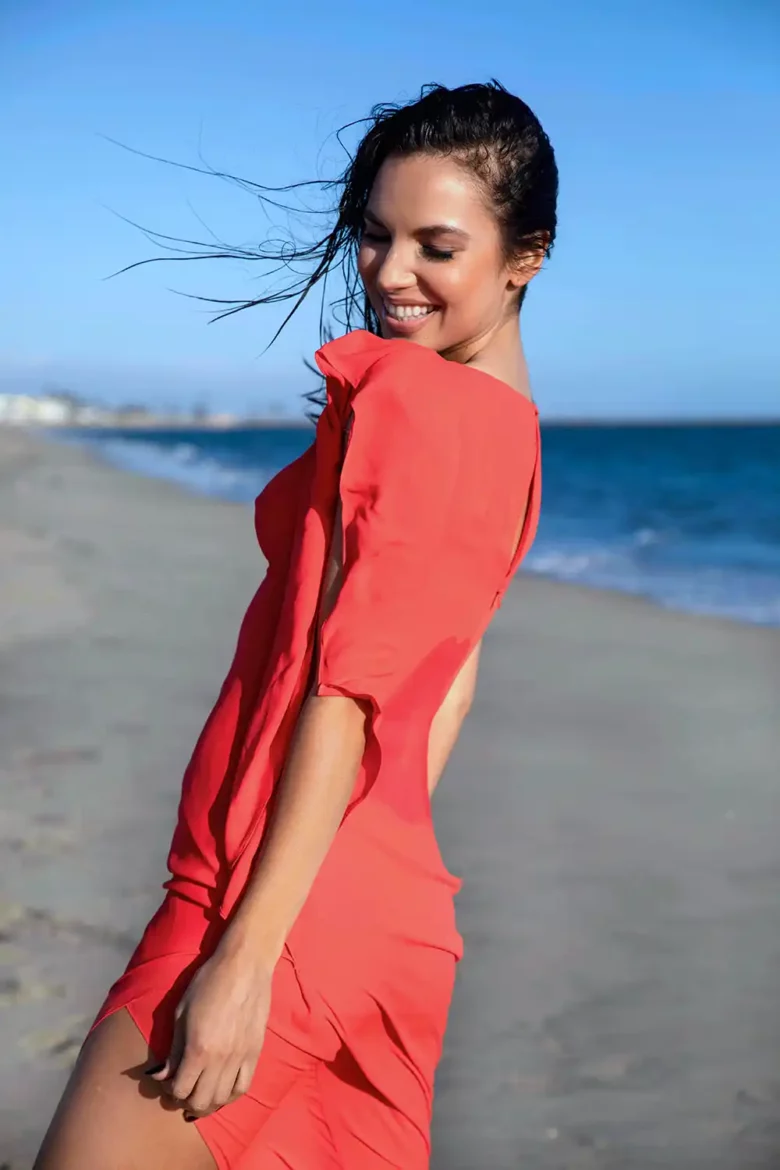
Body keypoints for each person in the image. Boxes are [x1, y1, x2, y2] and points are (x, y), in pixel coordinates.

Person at [34, 80, 558, 1170]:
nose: (390, 272)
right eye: (373, 235)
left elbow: (348, 695)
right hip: (380, 918)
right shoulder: (511, 437)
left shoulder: (417, 408)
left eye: (437, 246)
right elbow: (447, 686)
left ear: (526, 258)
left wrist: (247, 956)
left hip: (263, 909)